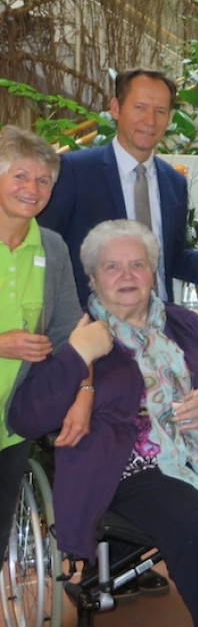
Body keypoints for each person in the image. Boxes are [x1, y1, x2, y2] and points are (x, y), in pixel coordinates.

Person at [9, 219, 198, 627]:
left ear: (152, 273)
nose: (126, 275)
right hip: (133, 457)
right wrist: (77, 356)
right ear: (91, 277)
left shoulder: (182, 322)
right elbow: (26, 416)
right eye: (112, 266)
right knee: (196, 523)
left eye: (137, 264)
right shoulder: (76, 332)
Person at [38, 67, 198, 305]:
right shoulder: (75, 171)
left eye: (160, 111)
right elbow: (44, 249)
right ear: (116, 109)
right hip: (93, 326)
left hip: (160, 324)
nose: (150, 121)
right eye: (140, 107)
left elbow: (169, 258)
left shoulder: (174, 183)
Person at [0, 126, 83, 562]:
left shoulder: (51, 248)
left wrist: (83, 392)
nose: (31, 189)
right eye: (19, 176)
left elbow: (70, 333)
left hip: (12, 424)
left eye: (42, 180)